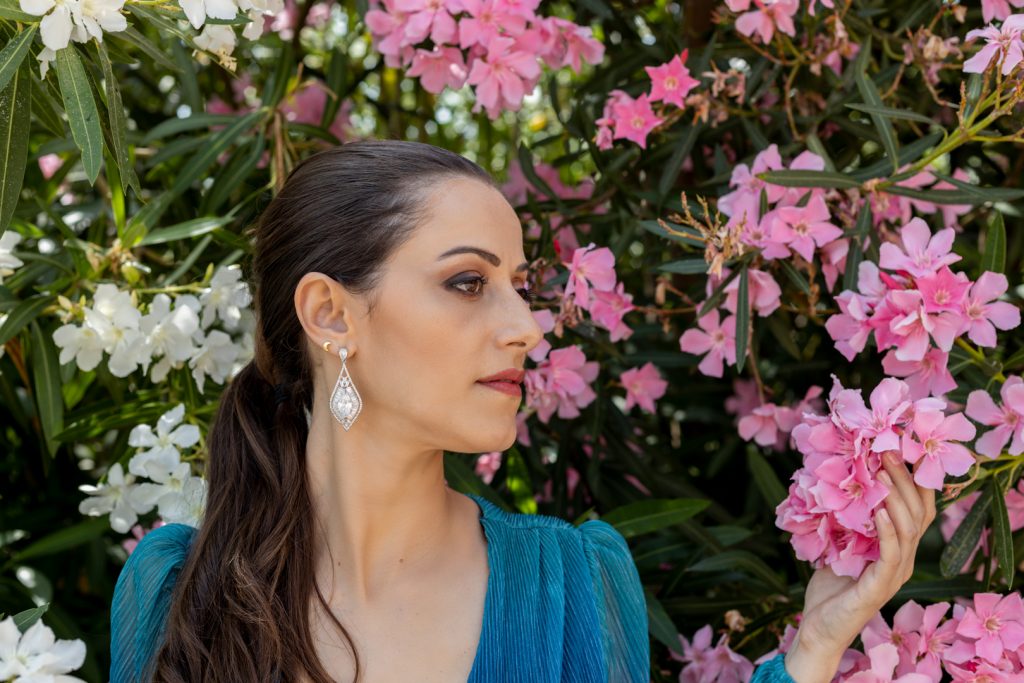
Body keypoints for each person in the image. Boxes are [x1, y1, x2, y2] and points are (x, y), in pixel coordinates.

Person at [109, 139, 936, 683]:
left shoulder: (572, 582)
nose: (527, 326)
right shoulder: (179, 590)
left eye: (520, 285)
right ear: (330, 314)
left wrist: (816, 645)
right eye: (468, 283)